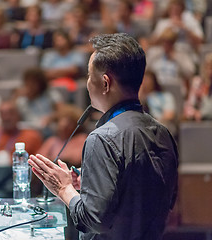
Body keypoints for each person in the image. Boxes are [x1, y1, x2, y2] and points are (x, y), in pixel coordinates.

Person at [28, 33, 178, 240]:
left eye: (90, 76)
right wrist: (92, 180)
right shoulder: (163, 133)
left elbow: (94, 219)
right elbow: (157, 198)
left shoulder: (101, 138)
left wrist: (64, 189)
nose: (88, 83)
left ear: (106, 84)